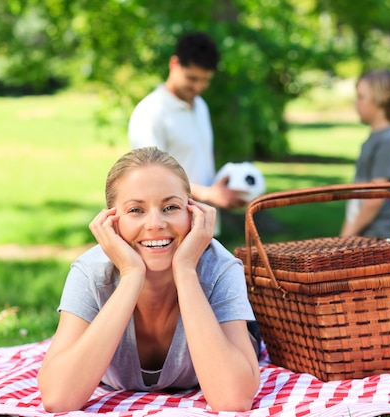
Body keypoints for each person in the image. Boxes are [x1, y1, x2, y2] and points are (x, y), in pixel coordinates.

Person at [37, 147, 261, 413]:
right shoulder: (91, 271)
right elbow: (57, 398)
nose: (155, 223)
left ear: (193, 213)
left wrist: (186, 270)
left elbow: (233, 401)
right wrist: (131, 276)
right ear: (110, 221)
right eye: (135, 210)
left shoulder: (220, 267)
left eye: (170, 207)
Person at [128, 31, 246, 211]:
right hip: (171, 226)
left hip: (204, 221)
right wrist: (208, 194)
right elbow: (152, 177)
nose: (198, 87)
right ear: (174, 64)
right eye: (192, 78)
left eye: (205, 80)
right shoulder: (150, 112)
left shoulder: (200, 106)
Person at [340, 69, 390, 239]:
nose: (356, 103)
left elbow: (375, 198)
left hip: (383, 239)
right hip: (367, 234)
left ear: (381, 100)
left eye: (361, 97)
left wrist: (346, 236)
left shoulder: (387, 142)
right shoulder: (375, 139)